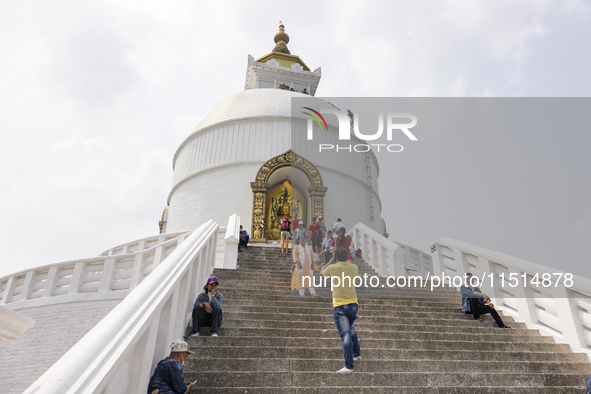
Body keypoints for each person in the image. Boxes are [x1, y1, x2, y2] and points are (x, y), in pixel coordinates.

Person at [321, 247, 361, 373]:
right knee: (351, 329)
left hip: (340, 305)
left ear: (336, 257)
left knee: (346, 335)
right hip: (353, 304)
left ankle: (349, 366)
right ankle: (357, 354)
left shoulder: (333, 267)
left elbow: (322, 272)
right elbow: (351, 265)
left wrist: (331, 261)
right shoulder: (353, 267)